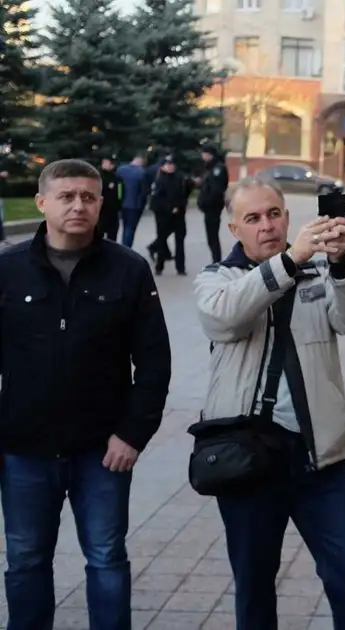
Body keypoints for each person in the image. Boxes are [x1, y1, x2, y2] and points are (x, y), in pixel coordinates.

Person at [193, 177, 345, 629]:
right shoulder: (218, 279)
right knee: (255, 584)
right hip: (247, 460)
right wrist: (290, 259)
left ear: (288, 218)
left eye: (274, 214)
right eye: (253, 218)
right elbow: (225, 319)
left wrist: (339, 262)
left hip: (318, 459)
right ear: (233, 228)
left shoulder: (320, 274)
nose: (267, 226)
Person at [0, 158, 172, 630]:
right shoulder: (8, 269)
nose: (78, 205)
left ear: (100, 203)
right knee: (26, 560)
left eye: (88, 197)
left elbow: (155, 361)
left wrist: (132, 435)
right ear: (42, 203)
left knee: (105, 558)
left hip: (103, 450)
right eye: (66, 196)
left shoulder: (128, 270)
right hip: (24, 451)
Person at [147, 156, 191, 275]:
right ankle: (159, 266)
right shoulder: (159, 180)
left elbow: (185, 194)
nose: (171, 166)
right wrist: (169, 208)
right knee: (162, 240)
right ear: (162, 167)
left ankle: (180, 268)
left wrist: (179, 206)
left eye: (172, 164)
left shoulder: (180, 178)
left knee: (180, 241)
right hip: (163, 215)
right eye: (168, 164)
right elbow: (156, 200)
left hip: (179, 215)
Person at [197, 145, 229, 263]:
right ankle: (215, 261)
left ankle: (216, 262)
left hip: (213, 207)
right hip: (210, 207)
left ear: (209, 154)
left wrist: (206, 202)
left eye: (203, 153)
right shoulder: (210, 167)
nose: (202, 156)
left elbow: (216, 189)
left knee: (212, 237)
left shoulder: (218, 168)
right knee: (211, 237)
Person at [117, 155, 149, 248]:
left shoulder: (120, 170)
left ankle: (122, 246)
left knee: (124, 226)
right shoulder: (142, 172)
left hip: (122, 203)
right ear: (142, 163)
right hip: (135, 205)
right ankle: (126, 248)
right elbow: (144, 191)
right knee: (130, 228)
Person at [99, 156, 123, 242]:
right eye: (104, 162)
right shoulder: (98, 178)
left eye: (108, 162)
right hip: (101, 210)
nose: (105, 164)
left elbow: (120, 194)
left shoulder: (117, 178)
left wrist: (119, 205)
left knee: (112, 234)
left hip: (113, 211)